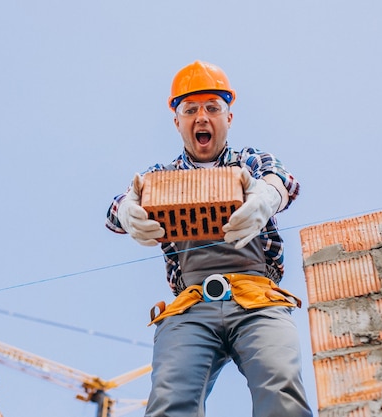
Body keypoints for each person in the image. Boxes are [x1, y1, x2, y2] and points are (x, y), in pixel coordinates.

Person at [105, 61, 313, 417]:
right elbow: (119, 207)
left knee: (280, 387)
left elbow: (283, 178)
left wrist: (267, 196)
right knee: (171, 401)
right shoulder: (160, 177)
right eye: (191, 110)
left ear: (228, 118)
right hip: (191, 305)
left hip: (257, 299)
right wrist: (127, 210)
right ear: (177, 122)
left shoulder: (250, 161)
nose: (202, 117)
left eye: (212, 108)